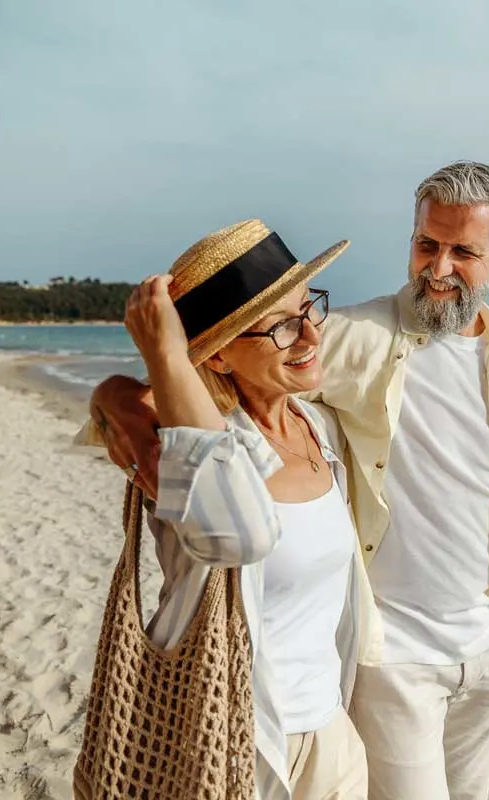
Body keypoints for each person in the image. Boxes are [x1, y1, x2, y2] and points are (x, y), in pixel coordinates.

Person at [84, 161, 489, 800]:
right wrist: (115, 396)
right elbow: (207, 382)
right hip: (396, 652)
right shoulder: (354, 337)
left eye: (463, 252)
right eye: (427, 244)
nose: (438, 268)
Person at [109, 218, 369, 800]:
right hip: (232, 739)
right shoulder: (179, 455)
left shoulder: (318, 426)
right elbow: (238, 535)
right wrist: (162, 358)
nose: (310, 336)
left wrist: (111, 390)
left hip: (331, 730)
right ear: (220, 356)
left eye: (310, 308)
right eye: (281, 326)